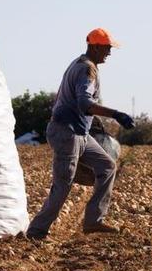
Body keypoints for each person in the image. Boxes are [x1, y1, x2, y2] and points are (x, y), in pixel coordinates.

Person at [26, 28, 136, 239]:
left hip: (79, 133)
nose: (109, 52)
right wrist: (116, 114)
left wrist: (94, 124)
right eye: (107, 48)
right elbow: (84, 103)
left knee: (107, 166)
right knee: (63, 185)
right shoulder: (87, 70)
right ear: (95, 47)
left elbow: (72, 102)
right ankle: (36, 231)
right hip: (67, 133)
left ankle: (94, 221)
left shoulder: (79, 63)